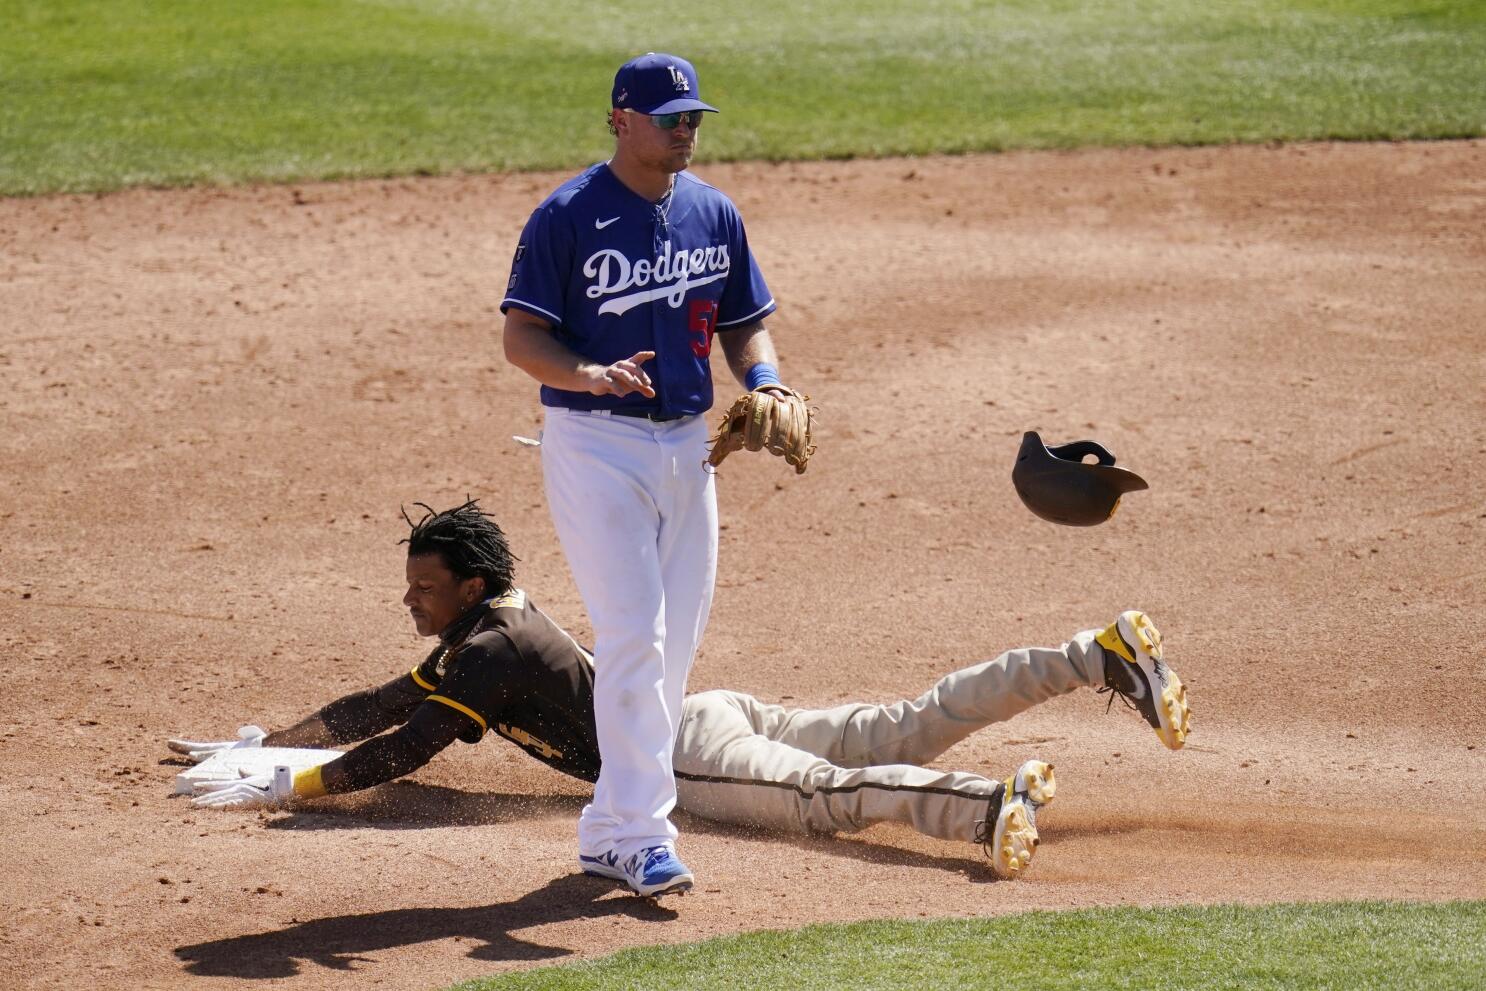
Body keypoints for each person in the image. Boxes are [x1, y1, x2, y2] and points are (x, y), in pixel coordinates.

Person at [172, 501, 1193, 892]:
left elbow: (405, 748)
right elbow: (377, 702)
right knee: (900, 721)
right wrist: (274, 738)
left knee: (825, 799)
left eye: (423, 586)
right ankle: (1090, 655)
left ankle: (984, 807)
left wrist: (294, 789)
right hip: (712, 711)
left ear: (469, 587)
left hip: (683, 756)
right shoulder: (493, 626)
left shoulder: (487, 653)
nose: (409, 597)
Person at [497, 52, 797, 896]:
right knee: (635, 632)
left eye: (694, 118)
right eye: (670, 119)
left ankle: (607, 826)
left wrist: (766, 380)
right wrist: (587, 374)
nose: (686, 131)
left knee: (671, 651)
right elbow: (522, 340)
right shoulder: (566, 216)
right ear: (621, 119)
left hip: (692, 447)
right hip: (595, 444)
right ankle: (639, 832)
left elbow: (746, 324)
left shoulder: (713, 213)